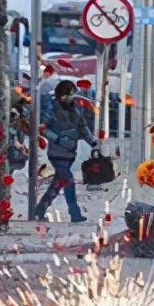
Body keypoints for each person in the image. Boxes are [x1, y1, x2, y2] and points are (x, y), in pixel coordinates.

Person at [32, 80, 97, 223]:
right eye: (68, 95)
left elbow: (83, 127)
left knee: (58, 183)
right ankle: (74, 213)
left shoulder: (75, 109)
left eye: (72, 94)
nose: (70, 98)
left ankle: (40, 210)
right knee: (68, 181)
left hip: (70, 152)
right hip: (57, 152)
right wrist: (57, 139)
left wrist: (92, 142)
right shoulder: (52, 109)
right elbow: (43, 128)